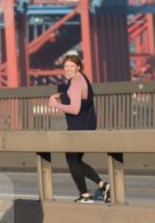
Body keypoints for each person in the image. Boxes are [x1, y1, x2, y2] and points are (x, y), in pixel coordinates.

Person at [47, 53, 110, 204]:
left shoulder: (75, 83)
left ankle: (85, 195)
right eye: (66, 66)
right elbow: (78, 97)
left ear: (78, 67)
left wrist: (55, 105)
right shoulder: (82, 79)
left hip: (79, 127)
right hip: (87, 125)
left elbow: (75, 109)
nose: (68, 69)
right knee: (75, 160)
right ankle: (102, 185)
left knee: (72, 160)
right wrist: (61, 94)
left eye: (72, 66)